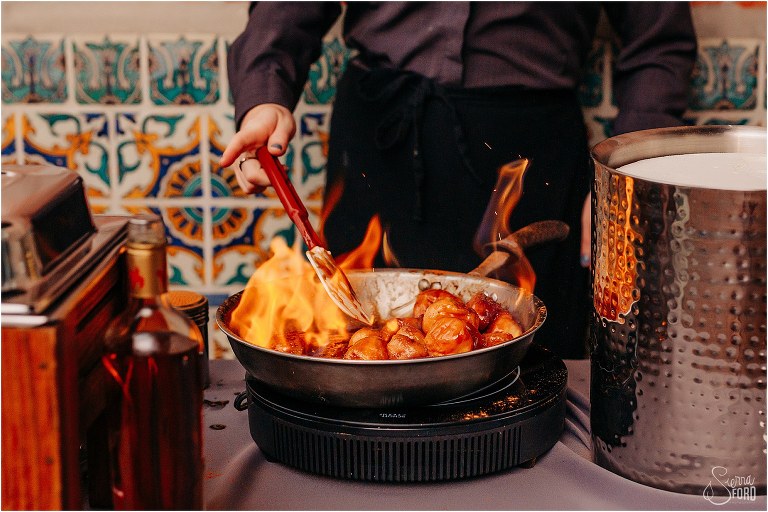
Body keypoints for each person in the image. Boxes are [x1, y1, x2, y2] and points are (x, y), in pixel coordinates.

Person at [220, 2, 697, 359]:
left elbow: (659, 42)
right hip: (381, 144)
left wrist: (624, 182)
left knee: (529, 360)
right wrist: (265, 96)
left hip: (530, 159)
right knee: (354, 345)